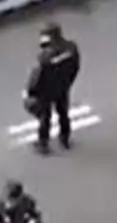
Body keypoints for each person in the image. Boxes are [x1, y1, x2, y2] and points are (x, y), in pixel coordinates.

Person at [24, 22, 81, 155]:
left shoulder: (45, 57)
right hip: (62, 86)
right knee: (63, 113)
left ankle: (43, 144)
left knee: (45, 116)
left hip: (46, 91)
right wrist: (68, 82)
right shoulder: (71, 48)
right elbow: (75, 67)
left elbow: (38, 76)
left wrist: (31, 91)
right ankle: (65, 138)